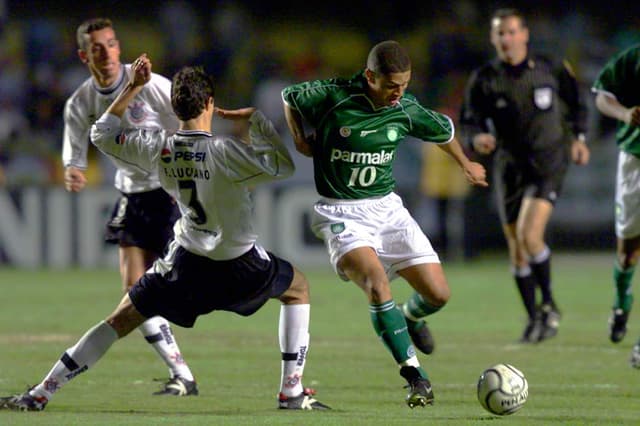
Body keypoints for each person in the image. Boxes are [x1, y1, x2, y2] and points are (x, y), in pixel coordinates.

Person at [0, 58, 330, 411]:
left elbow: (101, 134)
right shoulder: (225, 151)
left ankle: (41, 393)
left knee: (120, 319)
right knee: (297, 289)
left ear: (174, 107)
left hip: (186, 263)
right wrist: (254, 119)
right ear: (209, 105)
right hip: (239, 262)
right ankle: (291, 394)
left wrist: (132, 88)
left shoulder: (159, 146)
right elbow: (283, 165)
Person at [282, 40, 487, 408]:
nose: (399, 93)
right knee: (377, 285)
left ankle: (408, 318)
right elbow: (290, 96)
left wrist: (466, 164)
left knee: (438, 294)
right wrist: (299, 138)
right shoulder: (333, 96)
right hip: (341, 213)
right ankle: (414, 375)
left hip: (388, 210)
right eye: (392, 85)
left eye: (405, 85)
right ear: (369, 76)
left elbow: (444, 131)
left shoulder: (404, 109)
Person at [61, 18, 197, 394]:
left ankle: (183, 374)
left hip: (167, 191)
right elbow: (74, 146)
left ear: (119, 47)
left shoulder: (150, 83)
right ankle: (182, 375)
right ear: (83, 55)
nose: (105, 53)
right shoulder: (81, 101)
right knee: (135, 289)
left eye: (110, 44)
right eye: (96, 47)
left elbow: (192, 118)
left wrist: (184, 166)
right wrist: (73, 169)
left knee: (158, 289)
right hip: (131, 194)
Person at [460, 8, 590, 343]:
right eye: (500, 33)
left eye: (512, 31)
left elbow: (578, 103)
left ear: (525, 34)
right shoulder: (486, 79)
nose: (507, 38)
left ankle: (549, 306)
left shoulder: (550, 68)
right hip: (509, 165)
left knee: (530, 235)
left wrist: (579, 138)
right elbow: (468, 121)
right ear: (493, 39)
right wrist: (476, 139)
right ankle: (534, 318)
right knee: (517, 249)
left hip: (548, 160)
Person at [592, 44, 640, 368]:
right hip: (635, 161)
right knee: (628, 251)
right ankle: (622, 304)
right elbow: (602, 95)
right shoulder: (633, 58)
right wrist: (624, 113)